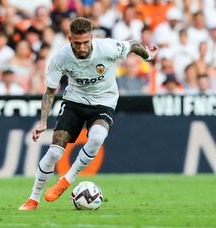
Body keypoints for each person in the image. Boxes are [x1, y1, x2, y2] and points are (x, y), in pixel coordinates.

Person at [18, 17, 158, 210]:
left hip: (104, 102)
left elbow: (133, 44)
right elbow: (50, 91)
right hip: (75, 101)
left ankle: (66, 180)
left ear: (92, 37)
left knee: (97, 136)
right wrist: (43, 122)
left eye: (86, 42)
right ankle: (33, 198)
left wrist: (148, 57)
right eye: (77, 43)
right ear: (69, 39)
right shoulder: (61, 57)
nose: (82, 47)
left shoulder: (107, 47)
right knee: (54, 152)